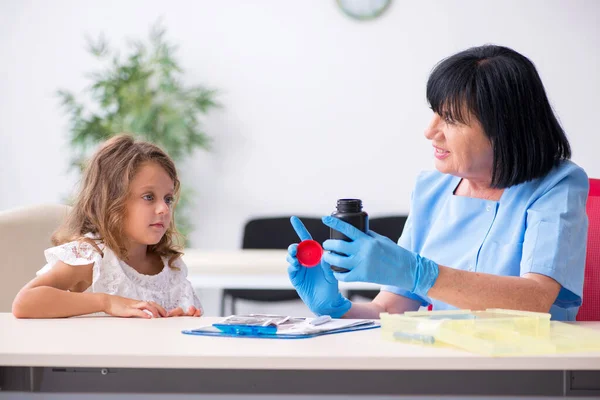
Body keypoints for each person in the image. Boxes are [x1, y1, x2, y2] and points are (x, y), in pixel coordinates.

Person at [287, 44, 588, 321]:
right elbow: (389, 307)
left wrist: (422, 275)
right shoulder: (432, 190)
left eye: (452, 119)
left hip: (530, 365)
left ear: (505, 128)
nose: (430, 131)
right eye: (434, 113)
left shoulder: (557, 186)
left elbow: (536, 298)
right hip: (444, 361)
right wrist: (335, 308)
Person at [12, 135, 203, 319]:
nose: (163, 209)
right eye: (149, 197)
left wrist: (180, 320)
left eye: (168, 199)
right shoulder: (94, 257)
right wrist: (106, 302)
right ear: (112, 202)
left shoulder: (171, 266)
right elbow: (24, 303)